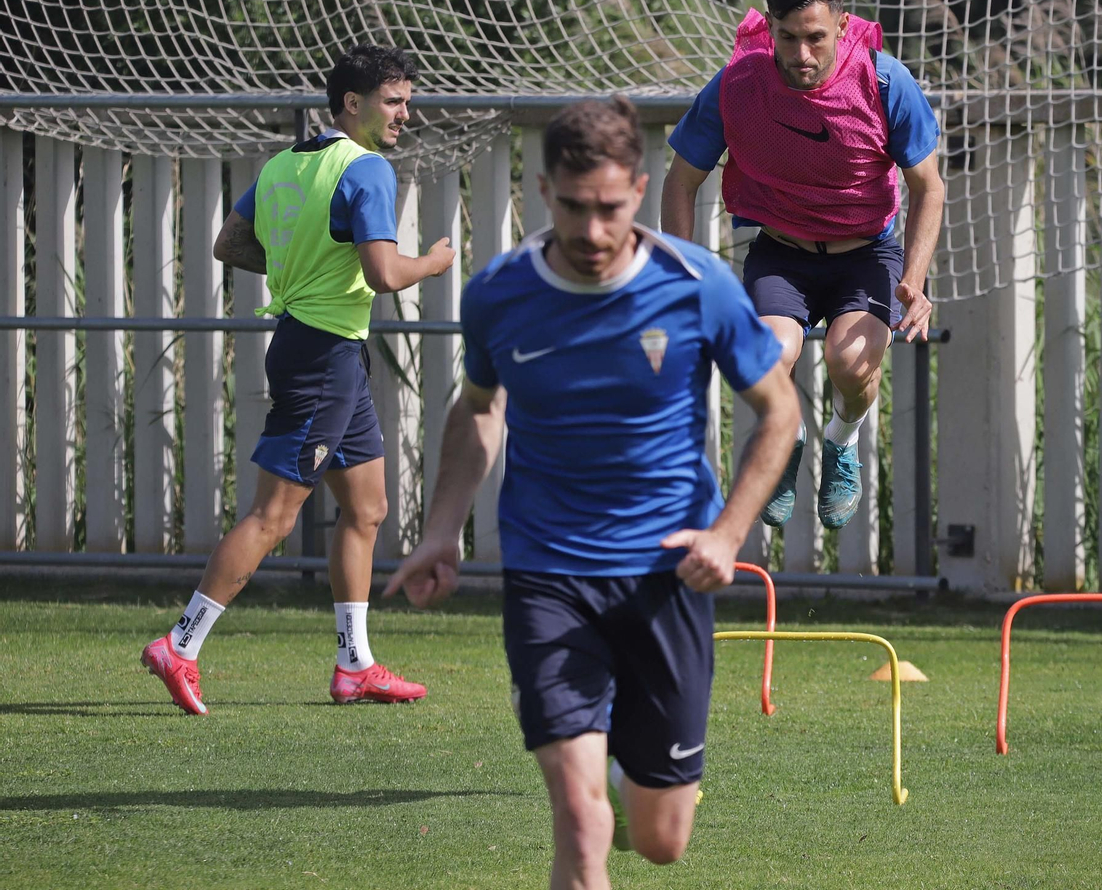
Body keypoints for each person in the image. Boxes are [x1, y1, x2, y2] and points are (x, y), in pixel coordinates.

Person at [383, 96, 799, 887]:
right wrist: (442, 528)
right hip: (548, 573)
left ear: (638, 192)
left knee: (661, 841)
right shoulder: (499, 293)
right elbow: (479, 409)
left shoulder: (695, 285)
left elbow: (780, 412)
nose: (593, 230)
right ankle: (589, 773)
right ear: (545, 193)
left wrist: (727, 533)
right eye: (574, 208)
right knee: (578, 825)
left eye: (609, 208)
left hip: (666, 576)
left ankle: (627, 768)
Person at [140, 44, 456, 715]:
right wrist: (432, 261)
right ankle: (180, 643)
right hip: (322, 359)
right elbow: (383, 274)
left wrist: (299, 264)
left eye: (408, 100)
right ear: (352, 103)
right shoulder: (366, 168)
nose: (406, 114)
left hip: (325, 350)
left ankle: (354, 665)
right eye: (394, 102)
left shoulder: (286, 163)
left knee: (366, 508)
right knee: (272, 516)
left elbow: (231, 243)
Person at [660, 0, 945, 532]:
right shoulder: (737, 84)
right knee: (766, 357)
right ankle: (785, 443)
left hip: (866, 253)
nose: (802, 56)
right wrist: (679, 279)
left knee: (849, 360)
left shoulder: (886, 82)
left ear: (842, 25)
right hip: (780, 252)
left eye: (815, 38)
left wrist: (914, 277)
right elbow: (680, 181)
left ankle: (842, 439)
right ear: (769, 26)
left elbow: (928, 187)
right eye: (787, 38)